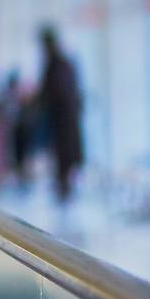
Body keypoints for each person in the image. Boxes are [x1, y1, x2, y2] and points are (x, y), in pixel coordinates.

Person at [38, 25, 85, 203]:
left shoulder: (58, 64)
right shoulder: (59, 63)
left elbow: (56, 92)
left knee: (64, 155)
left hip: (63, 120)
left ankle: (65, 190)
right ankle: (63, 189)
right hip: (62, 119)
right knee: (62, 156)